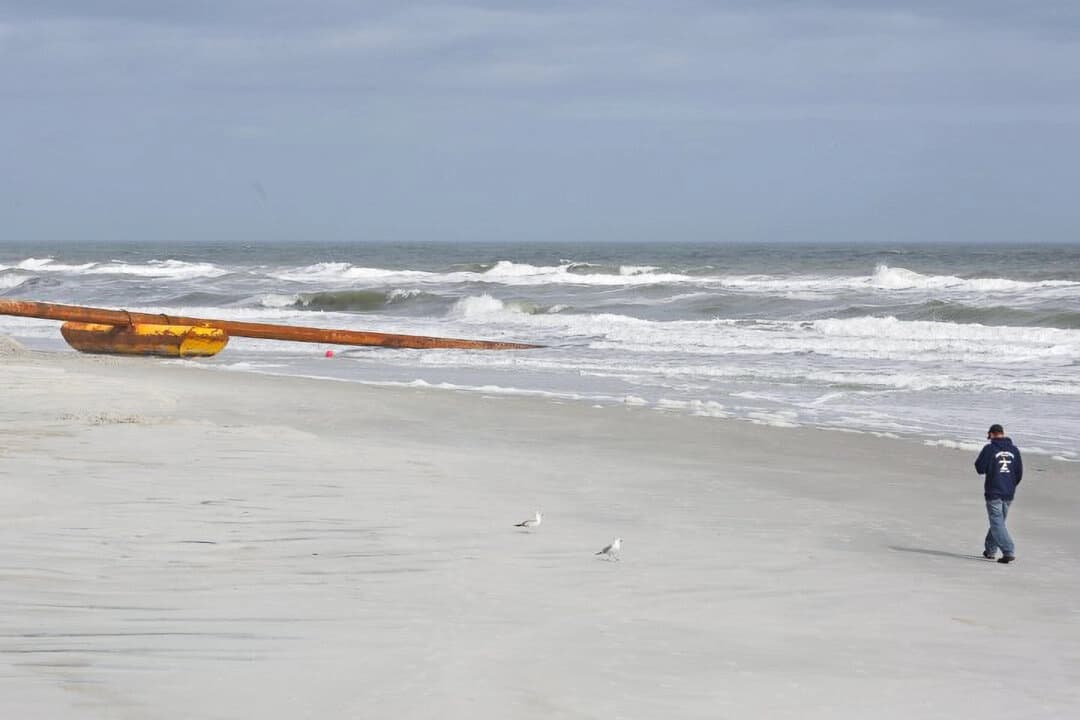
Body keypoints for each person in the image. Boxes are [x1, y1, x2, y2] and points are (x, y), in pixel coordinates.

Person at [974, 424, 1023, 564]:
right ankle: (990, 550)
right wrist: (1010, 485)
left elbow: (979, 468)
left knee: (997, 523)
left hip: (994, 491)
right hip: (1009, 492)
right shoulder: (1015, 450)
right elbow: (1019, 473)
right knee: (998, 522)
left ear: (991, 434)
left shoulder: (989, 449)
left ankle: (1008, 551)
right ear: (1003, 433)